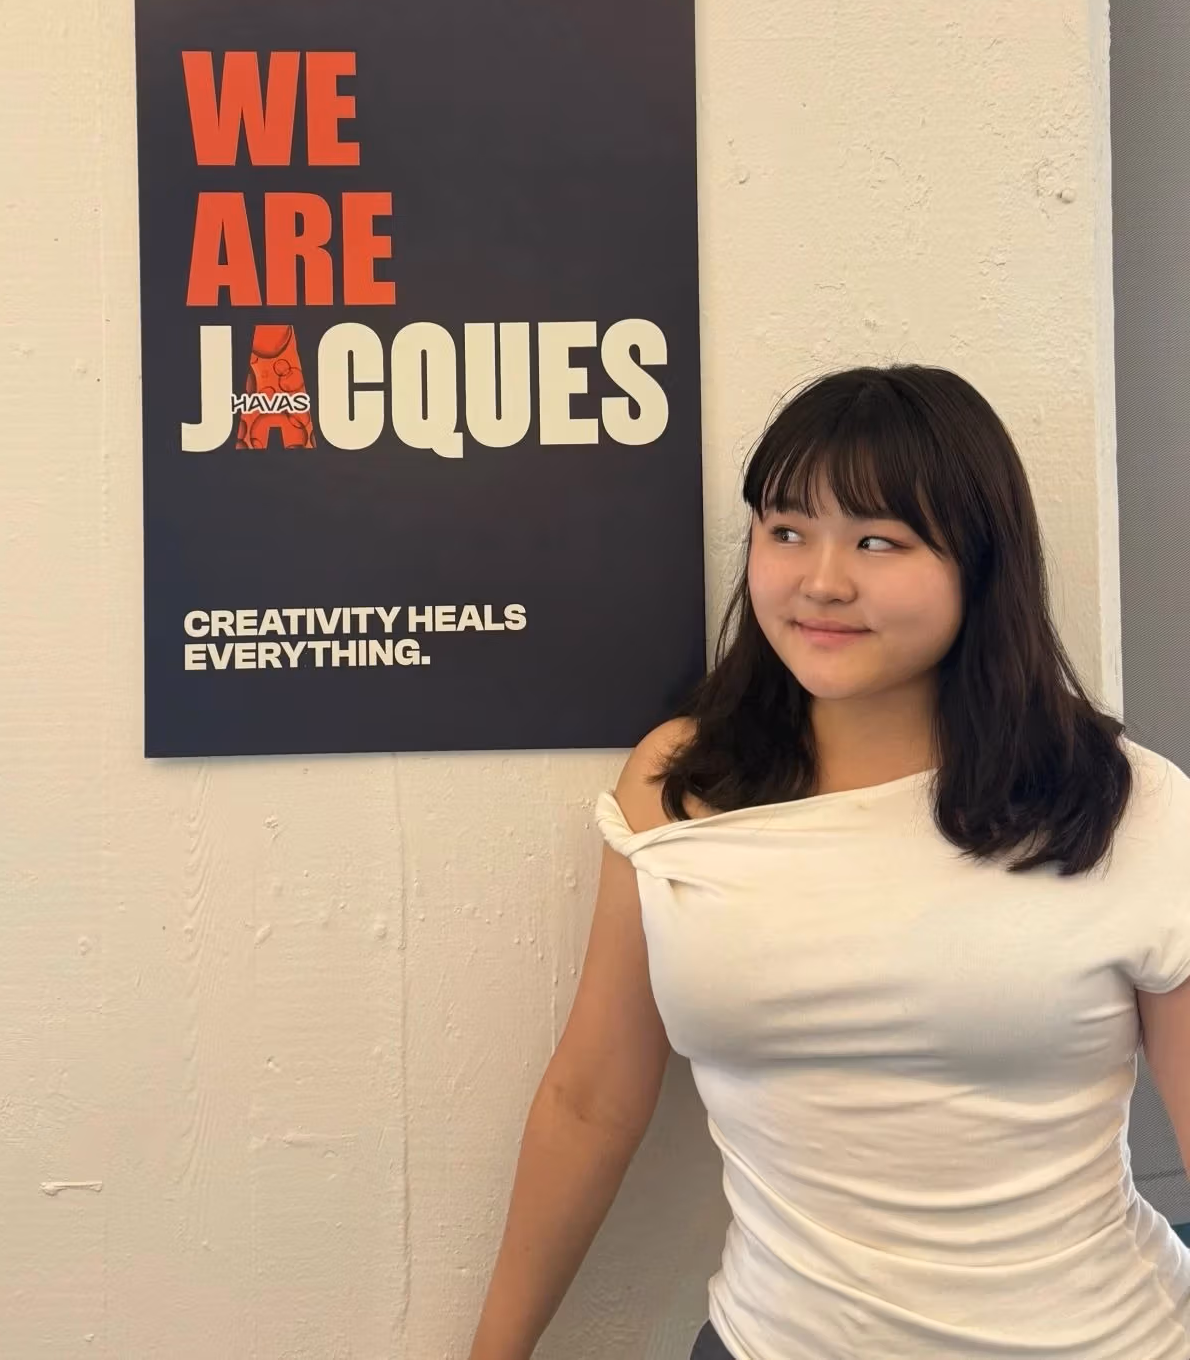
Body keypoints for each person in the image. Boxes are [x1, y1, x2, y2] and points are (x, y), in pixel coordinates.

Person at [465, 363, 1190, 1360]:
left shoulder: (1119, 801)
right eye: (785, 529)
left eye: (878, 540)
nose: (820, 579)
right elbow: (590, 1098)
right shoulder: (678, 785)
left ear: (977, 563)